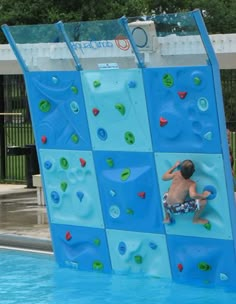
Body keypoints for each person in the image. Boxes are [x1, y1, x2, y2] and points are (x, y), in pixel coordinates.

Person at [162, 160, 211, 225]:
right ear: (193, 171)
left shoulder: (176, 174)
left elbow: (164, 177)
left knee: (167, 192)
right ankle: (196, 220)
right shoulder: (191, 183)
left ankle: (167, 217)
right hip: (176, 209)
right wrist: (204, 195)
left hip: (166, 204)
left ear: (180, 169)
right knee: (203, 202)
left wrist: (174, 166)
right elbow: (193, 195)